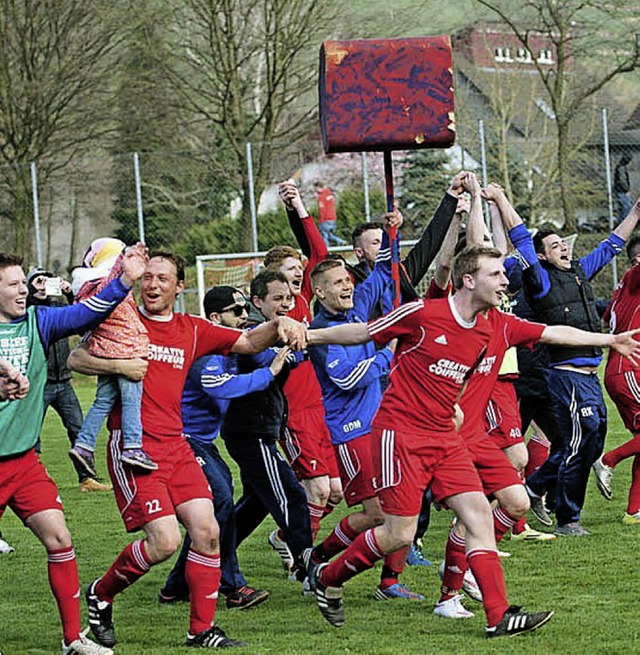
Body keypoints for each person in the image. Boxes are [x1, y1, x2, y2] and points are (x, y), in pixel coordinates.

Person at [306, 244, 640, 637]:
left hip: (446, 437)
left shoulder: (491, 326)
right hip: (399, 436)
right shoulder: (423, 314)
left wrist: (607, 340)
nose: (504, 281)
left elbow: (553, 331)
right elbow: (363, 331)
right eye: (496, 275)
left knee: (481, 514)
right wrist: (309, 335)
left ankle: (497, 616)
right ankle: (327, 577)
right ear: (469, 280)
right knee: (397, 532)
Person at [68, 252, 306, 650]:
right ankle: (101, 594)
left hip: (177, 446)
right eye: (148, 277)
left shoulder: (191, 329)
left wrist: (279, 323)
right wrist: (121, 366)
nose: (153, 284)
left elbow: (246, 342)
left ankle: (201, 630)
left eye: (163, 279)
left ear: (180, 287)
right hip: (133, 447)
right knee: (164, 543)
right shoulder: (123, 319)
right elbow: (78, 357)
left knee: (208, 530)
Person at [0, 247, 147, 655]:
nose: (22, 291)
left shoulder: (38, 321)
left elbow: (88, 312)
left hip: (25, 462)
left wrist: (124, 280)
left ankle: (72, 641)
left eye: (22, 283)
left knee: (60, 538)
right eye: (12, 284)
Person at [507, 194, 640, 536]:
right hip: (565, 377)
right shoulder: (542, 280)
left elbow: (612, 245)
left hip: (591, 376)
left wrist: (636, 212)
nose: (564, 249)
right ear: (542, 256)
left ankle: (535, 488)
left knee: (591, 443)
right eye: (555, 246)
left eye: (563, 244)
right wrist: (501, 200)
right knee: (578, 445)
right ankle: (568, 518)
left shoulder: (579, 271)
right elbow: (520, 237)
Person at [307, 210, 423, 602]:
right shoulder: (322, 335)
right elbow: (347, 378)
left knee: (405, 500)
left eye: (347, 279)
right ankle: (317, 559)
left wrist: (393, 230)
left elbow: (384, 272)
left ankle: (389, 582)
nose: (347, 285)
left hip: (385, 425)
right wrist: (389, 352)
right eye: (338, 282)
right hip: (352, 432)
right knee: (377, 515)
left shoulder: (358, 308)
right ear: (320, 293)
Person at [159, 286, 270, 609]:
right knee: (220, 503)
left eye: (245, 309)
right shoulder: (207, 352)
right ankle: (233, 586)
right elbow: (218, 388)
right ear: (215, 317)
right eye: (237, 312)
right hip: (183, 441)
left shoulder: (230, 346)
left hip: (203, 443)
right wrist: (269, 373)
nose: (245, 317)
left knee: (211, 512)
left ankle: (176, 586)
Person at [221, 270, 313, 588]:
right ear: (257, 302)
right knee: (292, 498)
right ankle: (308, 566)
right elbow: (265, 362)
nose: (286, 305)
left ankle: (191, 569)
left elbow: (297, 357)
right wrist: (288, 352)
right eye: (278, 299)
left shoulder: (280, 336)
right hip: (250, 433)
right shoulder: (251, 335)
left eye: (289, 298)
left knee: (254, 505)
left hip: (263, 431)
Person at [266, 181, 343, 552]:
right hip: (294, 412)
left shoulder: (305, 301)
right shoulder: (273, 313)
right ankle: (304, 559)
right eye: (288, 270)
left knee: (337, 492)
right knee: (318, 488)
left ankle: (284, 538)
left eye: (299, 269)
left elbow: (320, 251)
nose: (298, 274)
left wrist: (298, 206)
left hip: (322, 407)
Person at [69, 239, 155, 475]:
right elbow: (110, 286)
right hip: (126, 351)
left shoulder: (85, 288)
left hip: (108, 350)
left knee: (102, 401)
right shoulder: (105, 284)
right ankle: (133, 447)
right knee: (131, 401)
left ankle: (84, 445)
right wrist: (124, 261)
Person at [26, 267, 111, 493]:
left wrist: (70, 294)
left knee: (78, 429)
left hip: (63, 382)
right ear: (29, 286)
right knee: (31, 434)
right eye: (38, 282)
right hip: (39, 385)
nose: (43, 286)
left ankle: (87, 479)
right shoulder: (27, 311)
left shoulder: (59, 308)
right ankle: (29, 481)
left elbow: (81, 318)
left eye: (47, 281)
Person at [593, 235, 640, 523]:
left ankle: (634, 511)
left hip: (619, 369)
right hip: (630, 368)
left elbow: (610, 317)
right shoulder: (634, 278)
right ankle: (608, 460)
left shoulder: (620, 292)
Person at [614, 155, 633, 224]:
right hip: (622, 191)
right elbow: (622, 181)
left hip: (620, 190)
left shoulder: (620, 167)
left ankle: (620, 222)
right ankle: (624, 222)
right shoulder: (621, 168)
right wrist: (627, 189)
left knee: (621, 207)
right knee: (626, 206)